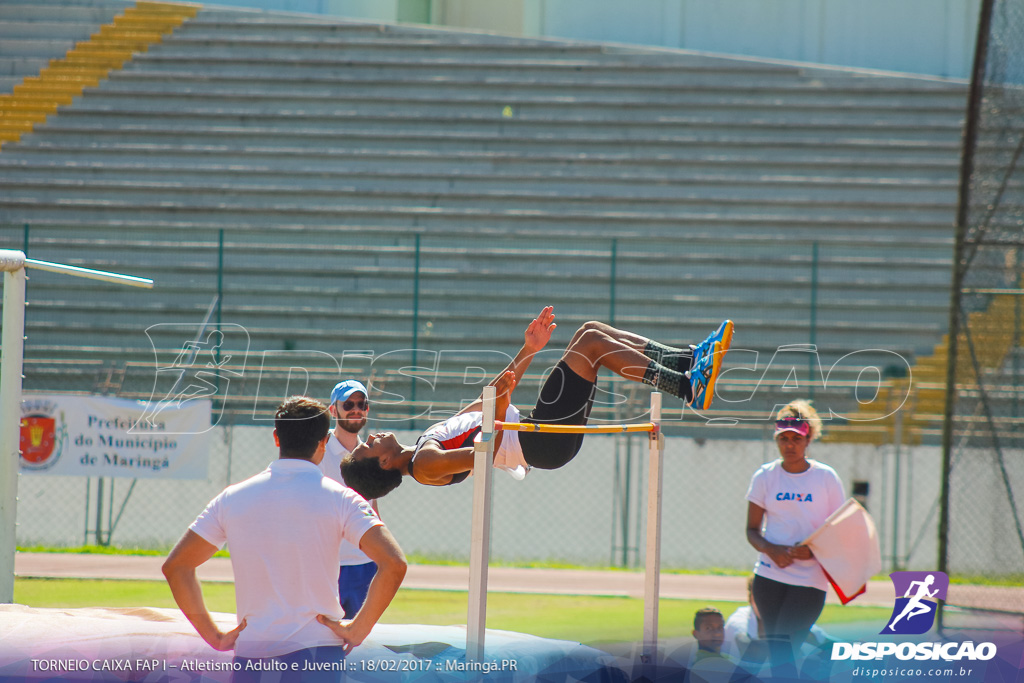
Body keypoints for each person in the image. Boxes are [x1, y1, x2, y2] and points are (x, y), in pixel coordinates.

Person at [340, 306, 733, 500]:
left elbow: (486, 400)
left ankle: (687, 361)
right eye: (368, 447)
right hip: (539, 442)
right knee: (592, 346)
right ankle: (686, 387)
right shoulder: (425, 464)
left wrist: (528, 349)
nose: (372, 437)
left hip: (536, 434)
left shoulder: (426, 440)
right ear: (385, 463)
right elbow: (486, 449)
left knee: (589, 331)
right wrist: (499, 405)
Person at [162, 396, 407, 682]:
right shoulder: (343, 499)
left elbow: (176, 566)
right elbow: (394, 563)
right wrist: (358, 629)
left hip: (252, 655)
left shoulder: (231, 499)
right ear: (323, 442)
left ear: (277, 438)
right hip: (318, 655)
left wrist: (213, 636)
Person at [744, 400, 844, 678]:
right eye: (783, 439)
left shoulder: (826, 477)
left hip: (810, 582)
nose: (789, 445)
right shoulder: (764, 476)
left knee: (784, 650)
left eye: (796, 439)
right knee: (779, 653)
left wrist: (812, 551)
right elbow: (752, 530)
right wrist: (771, 549)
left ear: (808, 438)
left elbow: (839, 530)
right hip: (768, 578)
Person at [321, 379, 380, 618]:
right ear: (333, 410)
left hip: (363, 564)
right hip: (327, 563)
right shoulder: (318, 449)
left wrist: (378, 554)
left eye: (361, 403)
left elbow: (373, 506)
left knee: (360, 645)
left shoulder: (371, 453)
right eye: (348, 404)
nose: (356, 408)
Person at [723, 575, 832, 673]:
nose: (772, 603)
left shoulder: (788, 619)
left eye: (777, 598)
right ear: (751, 597)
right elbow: (752, 649)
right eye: (766, 598)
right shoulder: (740, 619)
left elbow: (830, 643)